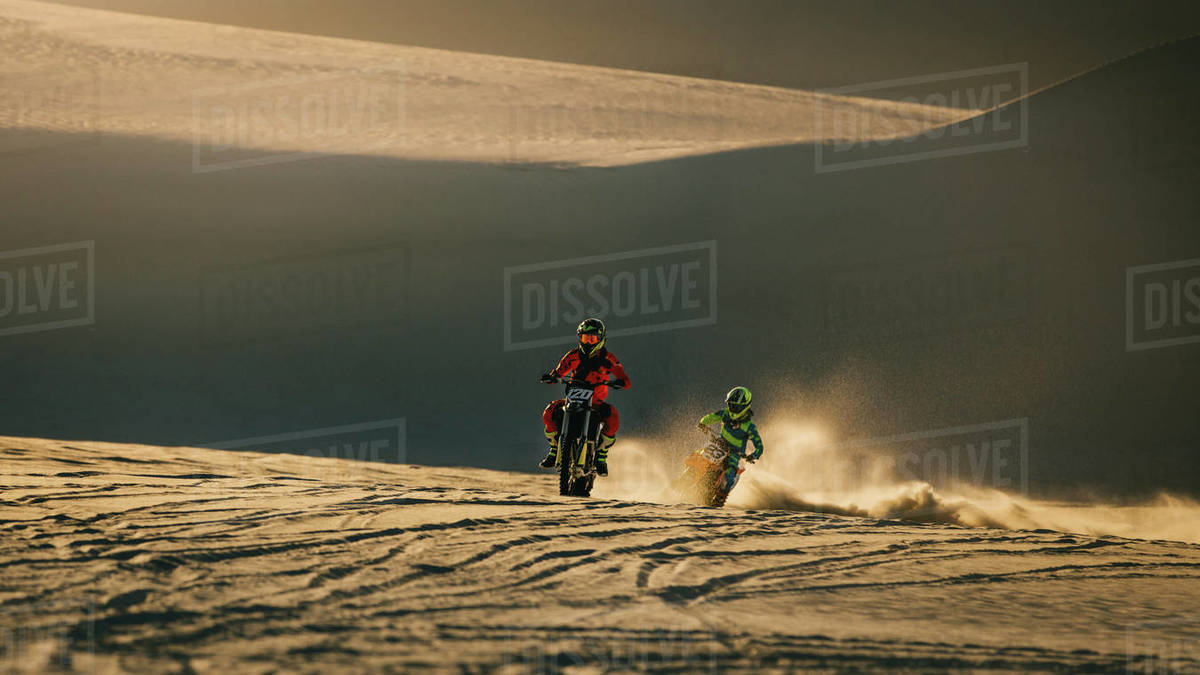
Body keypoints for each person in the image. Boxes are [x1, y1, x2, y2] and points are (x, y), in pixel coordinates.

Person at [538, 318, 631, 476]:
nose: (588, 343)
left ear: (601, 339)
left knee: (613, 416)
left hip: (596, 403)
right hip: (573, 400)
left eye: (592, 339)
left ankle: (601, 457)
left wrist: (620, 382)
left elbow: (624, 378)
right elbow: (559, 371)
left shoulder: (608, 358)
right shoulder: (572, 356)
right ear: (579, 338)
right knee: (549, 411)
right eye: (585, 338)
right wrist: (551, 377)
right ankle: (554, 450)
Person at [697, 386, 764, 496]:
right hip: (719, 445)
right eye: (730, 405)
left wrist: (753, 455)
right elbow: (712, 417)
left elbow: (759, 446)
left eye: (735, 406)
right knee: (699, 455)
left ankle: (720, 496)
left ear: (745, 407)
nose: (732, 408)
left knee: (729, 476)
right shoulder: (725, 414)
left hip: (733, 455)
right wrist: (703, 423)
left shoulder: (749, 427)